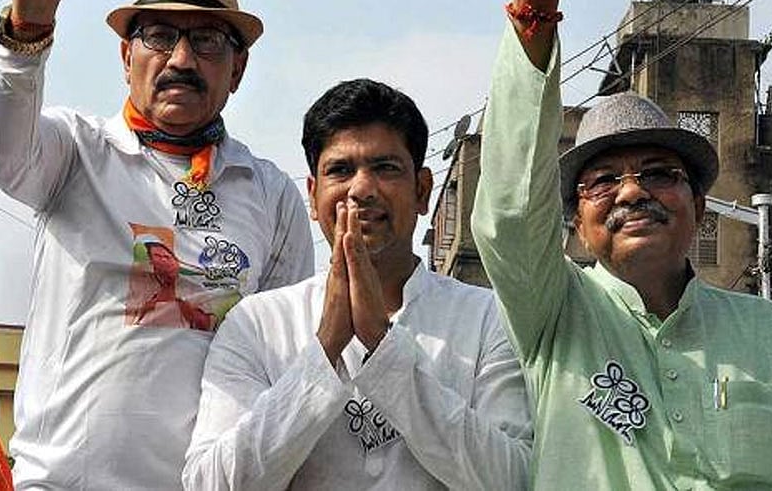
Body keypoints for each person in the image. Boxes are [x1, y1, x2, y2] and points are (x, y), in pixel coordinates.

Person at [471, 0, 772, 489]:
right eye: (603, 180)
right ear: (574, 222)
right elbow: (509, 210)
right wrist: (534, 4)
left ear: (698, 207)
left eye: (658, 172)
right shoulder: (554, 313)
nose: (631, 191)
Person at [0, 0, 314, 489]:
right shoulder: (74, 152)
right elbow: (3, 149)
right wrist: (31, 17)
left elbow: (282, 362)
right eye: (160, 36)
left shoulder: (271, 197)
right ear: (126, 54)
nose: (181, 60)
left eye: (209, 42)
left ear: (238, 71)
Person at [183, 79, 532, 490]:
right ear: (313, 197)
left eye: (385, 168)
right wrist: (324, 350)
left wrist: (385, 351)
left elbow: (515, 480)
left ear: (422, 191)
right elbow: (212, 484)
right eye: (341, 170)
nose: (362, 189)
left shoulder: (487, 318)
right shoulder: (258, 322)